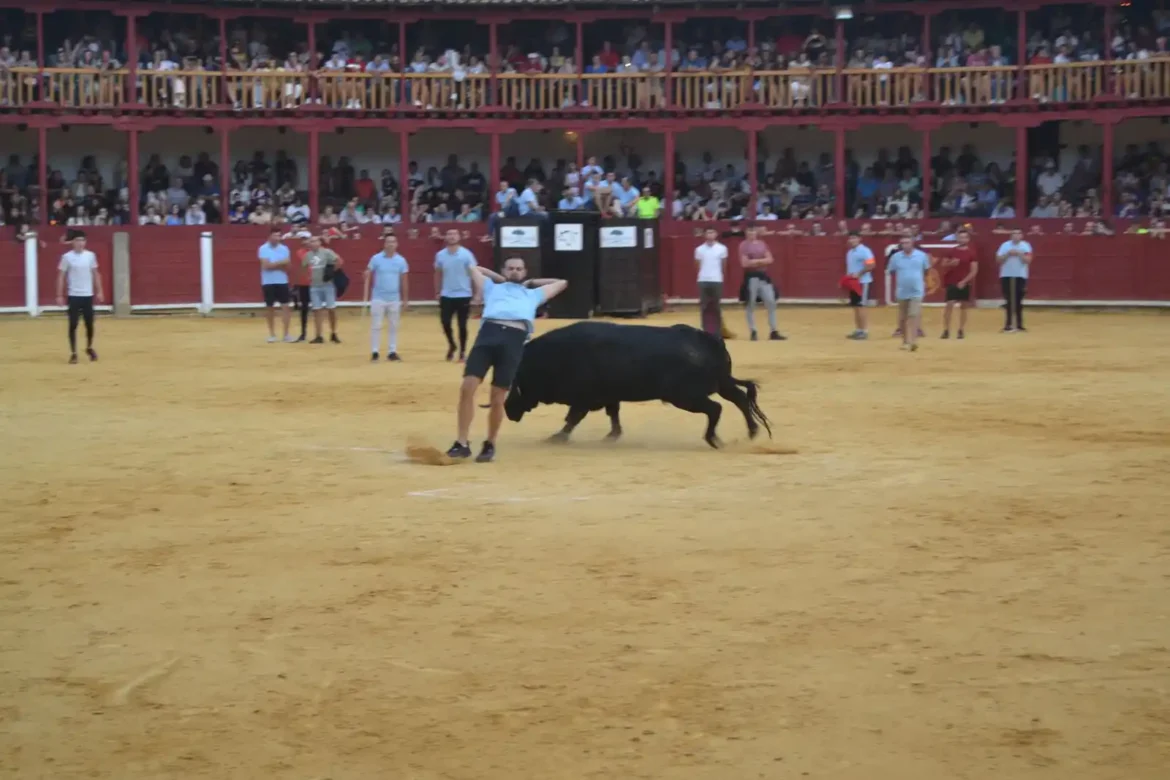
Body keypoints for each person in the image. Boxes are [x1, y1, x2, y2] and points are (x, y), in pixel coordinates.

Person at [447, 257, 568, 463]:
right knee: (467, 387)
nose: (514, 271)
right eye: (510, 268)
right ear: (504, 270)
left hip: (513, 341)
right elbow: (472, 268)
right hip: (488, 336)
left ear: (524, 272)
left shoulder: (533, 294)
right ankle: (462, 442)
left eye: (519, 269)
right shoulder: (491, 287)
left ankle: (490, 443)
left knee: (498, 397)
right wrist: (500, 278)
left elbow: (562, 282)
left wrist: (530, 282)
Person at [55, 232, 103, 364]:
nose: (80, 243)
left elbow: (95, 274)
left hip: (87, 295)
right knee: (73, 325)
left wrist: (99, 291)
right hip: (74, 295)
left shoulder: (90, 256)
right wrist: (59, 294)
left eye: (82, 240)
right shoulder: (67, 257)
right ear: (72, 242)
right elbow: (61, 276)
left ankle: (89, 347)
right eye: (77, 240)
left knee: (89, 325)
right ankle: (74, 353)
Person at [364, 234, 409, 362]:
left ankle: (392, 351)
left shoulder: (401, 260)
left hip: (394, 298)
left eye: (393, 242)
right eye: (388, 242)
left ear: (397, 244)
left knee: (394, 326)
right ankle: (375, 351)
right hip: (378, 297)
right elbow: (368, 271)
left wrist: (405, 299)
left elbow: (404, 280)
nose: (390, 244)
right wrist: (366, 274)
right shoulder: (376, 258)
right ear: (384, 244)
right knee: (376, 325)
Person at [434, 228, 476, 361]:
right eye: (449, 234)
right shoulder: (440, 255)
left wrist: (476, 293)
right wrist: (437, 291)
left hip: (464, 293)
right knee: (445, 322)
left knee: (462, 324)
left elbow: (474, 274)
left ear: (459, 237)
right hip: (446, 294)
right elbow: (438, 273)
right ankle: (452, 345)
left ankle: (462, 351)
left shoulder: (466, 254)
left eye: (454, 234)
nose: (452, 236)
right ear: (445, 237)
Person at [886, 235, 932, 351]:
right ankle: (905, 341)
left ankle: (913, 341)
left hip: (917, 290)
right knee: (902, 317)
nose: (905, 245)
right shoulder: (896, 257)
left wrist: (924, 282)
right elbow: (890, 271)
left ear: (912, 243)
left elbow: (927, 270)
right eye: (903, 243)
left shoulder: (921, 256)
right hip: (902, 291)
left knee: (913, 315)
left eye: (907, 242)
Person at [738, 225, 784, 341]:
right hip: (751, 277)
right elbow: (745, 264)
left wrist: (755, 261)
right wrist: (762, 262)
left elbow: (770, 259)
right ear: (746, 232)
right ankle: (753, 331)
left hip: (763, 277)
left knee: (771, 302)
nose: (751, 233)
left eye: (753, 230)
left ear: (756, 232)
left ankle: (773, 331)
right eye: (749, 230)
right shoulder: (743, 245)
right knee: (751, 304)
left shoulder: (762, 244)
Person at [302, 235, 344, 344]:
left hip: (327, 285)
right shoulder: (307, 255)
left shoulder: (327, 252)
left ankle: (333, 333)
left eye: (314, 241)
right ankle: (318, 335)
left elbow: (339, 261)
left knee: (331, 309)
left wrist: (332, 272)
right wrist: (308, 277)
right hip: (314, 286)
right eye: (311, 241)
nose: (312, 243)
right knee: (317, 310)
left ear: (319, 243)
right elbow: (304, 267)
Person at [939, 226, 979, 339]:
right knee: (949, 305)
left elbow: (974, 270)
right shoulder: (951, 251)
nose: (962, 239)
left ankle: (961, 329)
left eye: (964, 237)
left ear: (968, 239)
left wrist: (964, 281)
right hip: (952, 281)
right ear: (957, 238)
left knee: (964, 307)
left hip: (964, 283)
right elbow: (943, 264)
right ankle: (946, 330)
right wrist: (951, 263)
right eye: (960, 237)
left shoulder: (972, 253)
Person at [259, 227, 293, 343]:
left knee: (286, 307)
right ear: (270, 236)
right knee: (270, 308)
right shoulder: (263, 248)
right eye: (275, 235)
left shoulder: (284, 248)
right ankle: (272, 334)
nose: (277, 238)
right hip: (268, 282)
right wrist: (281, 263)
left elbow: (288, 267)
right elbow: (266, 266)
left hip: (282, 281)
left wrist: (274, 264)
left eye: (279, 236)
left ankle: (286, 334)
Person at [695, 227, 729, 337]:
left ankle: (717, 331)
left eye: (712, 232)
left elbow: (724, 265)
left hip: (716, 279)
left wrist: (720, 275)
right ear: (704, 235)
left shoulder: (722, 248)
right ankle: (706, 330)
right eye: (708, 232)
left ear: (716, 234)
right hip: (703, 279)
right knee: (704, 306)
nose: (710, 234)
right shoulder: (699, 249)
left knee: (716, 306)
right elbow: (697, 265)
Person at [996, 227, 1032, 332]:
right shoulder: (1005, 245)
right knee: (1008, 300)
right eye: (1014, 234)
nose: (1016, 236)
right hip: (1006, 275)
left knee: (1018, 301)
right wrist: (1008, 254)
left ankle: (1019, 324)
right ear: (1011, 236)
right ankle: (1008, 324)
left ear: (1021, 235)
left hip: (1020, 275)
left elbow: (1028, 260)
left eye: (1018, 233)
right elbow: (998, 260)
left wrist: (1019, 253)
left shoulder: (1026, 246)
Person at [844, 231, 876, 340]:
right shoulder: (850, 252)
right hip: (853, 283)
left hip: (863, 282)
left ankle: (864, 330)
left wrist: (860, 273)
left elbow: (871, 265)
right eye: (850, 238)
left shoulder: (865, 251)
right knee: (856, 307)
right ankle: (858, 330)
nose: (852, 240)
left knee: (861, 307)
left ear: (859, 239)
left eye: (854, 238)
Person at [290, 237, 313, 342]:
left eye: (309, 240)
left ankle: (318, 334)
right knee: (304, 308)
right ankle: (303, 333)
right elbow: (307, 261)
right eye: (305, 241)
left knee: (317, 309)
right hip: (304, 283)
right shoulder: (300, 252)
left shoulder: (316, 252)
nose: (307, 242)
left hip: (316, 282)